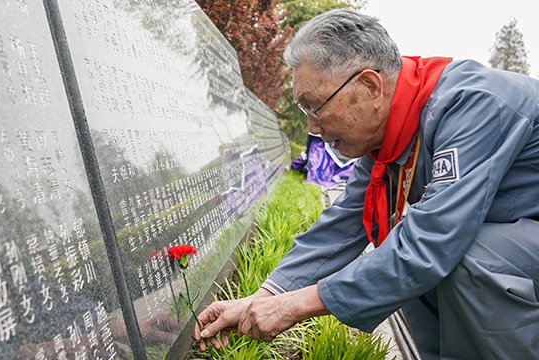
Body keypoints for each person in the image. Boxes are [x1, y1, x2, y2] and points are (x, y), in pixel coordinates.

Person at [194, 8, 539, 360]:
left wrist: (294, 306)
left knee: (465, 255)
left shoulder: (473, 104)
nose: (312, 128)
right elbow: (342, 223)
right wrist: (265, 297)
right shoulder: (390, 137)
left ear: (370, 86)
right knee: (399, 253)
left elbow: (434, 241)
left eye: (314, 106)